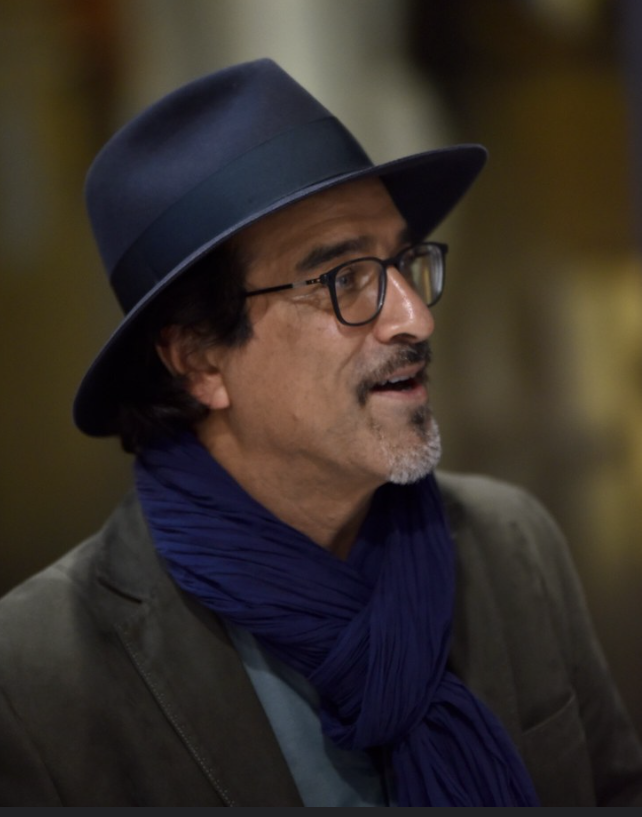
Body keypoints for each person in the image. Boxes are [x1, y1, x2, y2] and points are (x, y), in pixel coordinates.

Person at [0, 59, 641, 808]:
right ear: (200, 358)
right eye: (345, 279)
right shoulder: (38, 675)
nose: (415, 318)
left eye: (401, 262)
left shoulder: (511, 545)